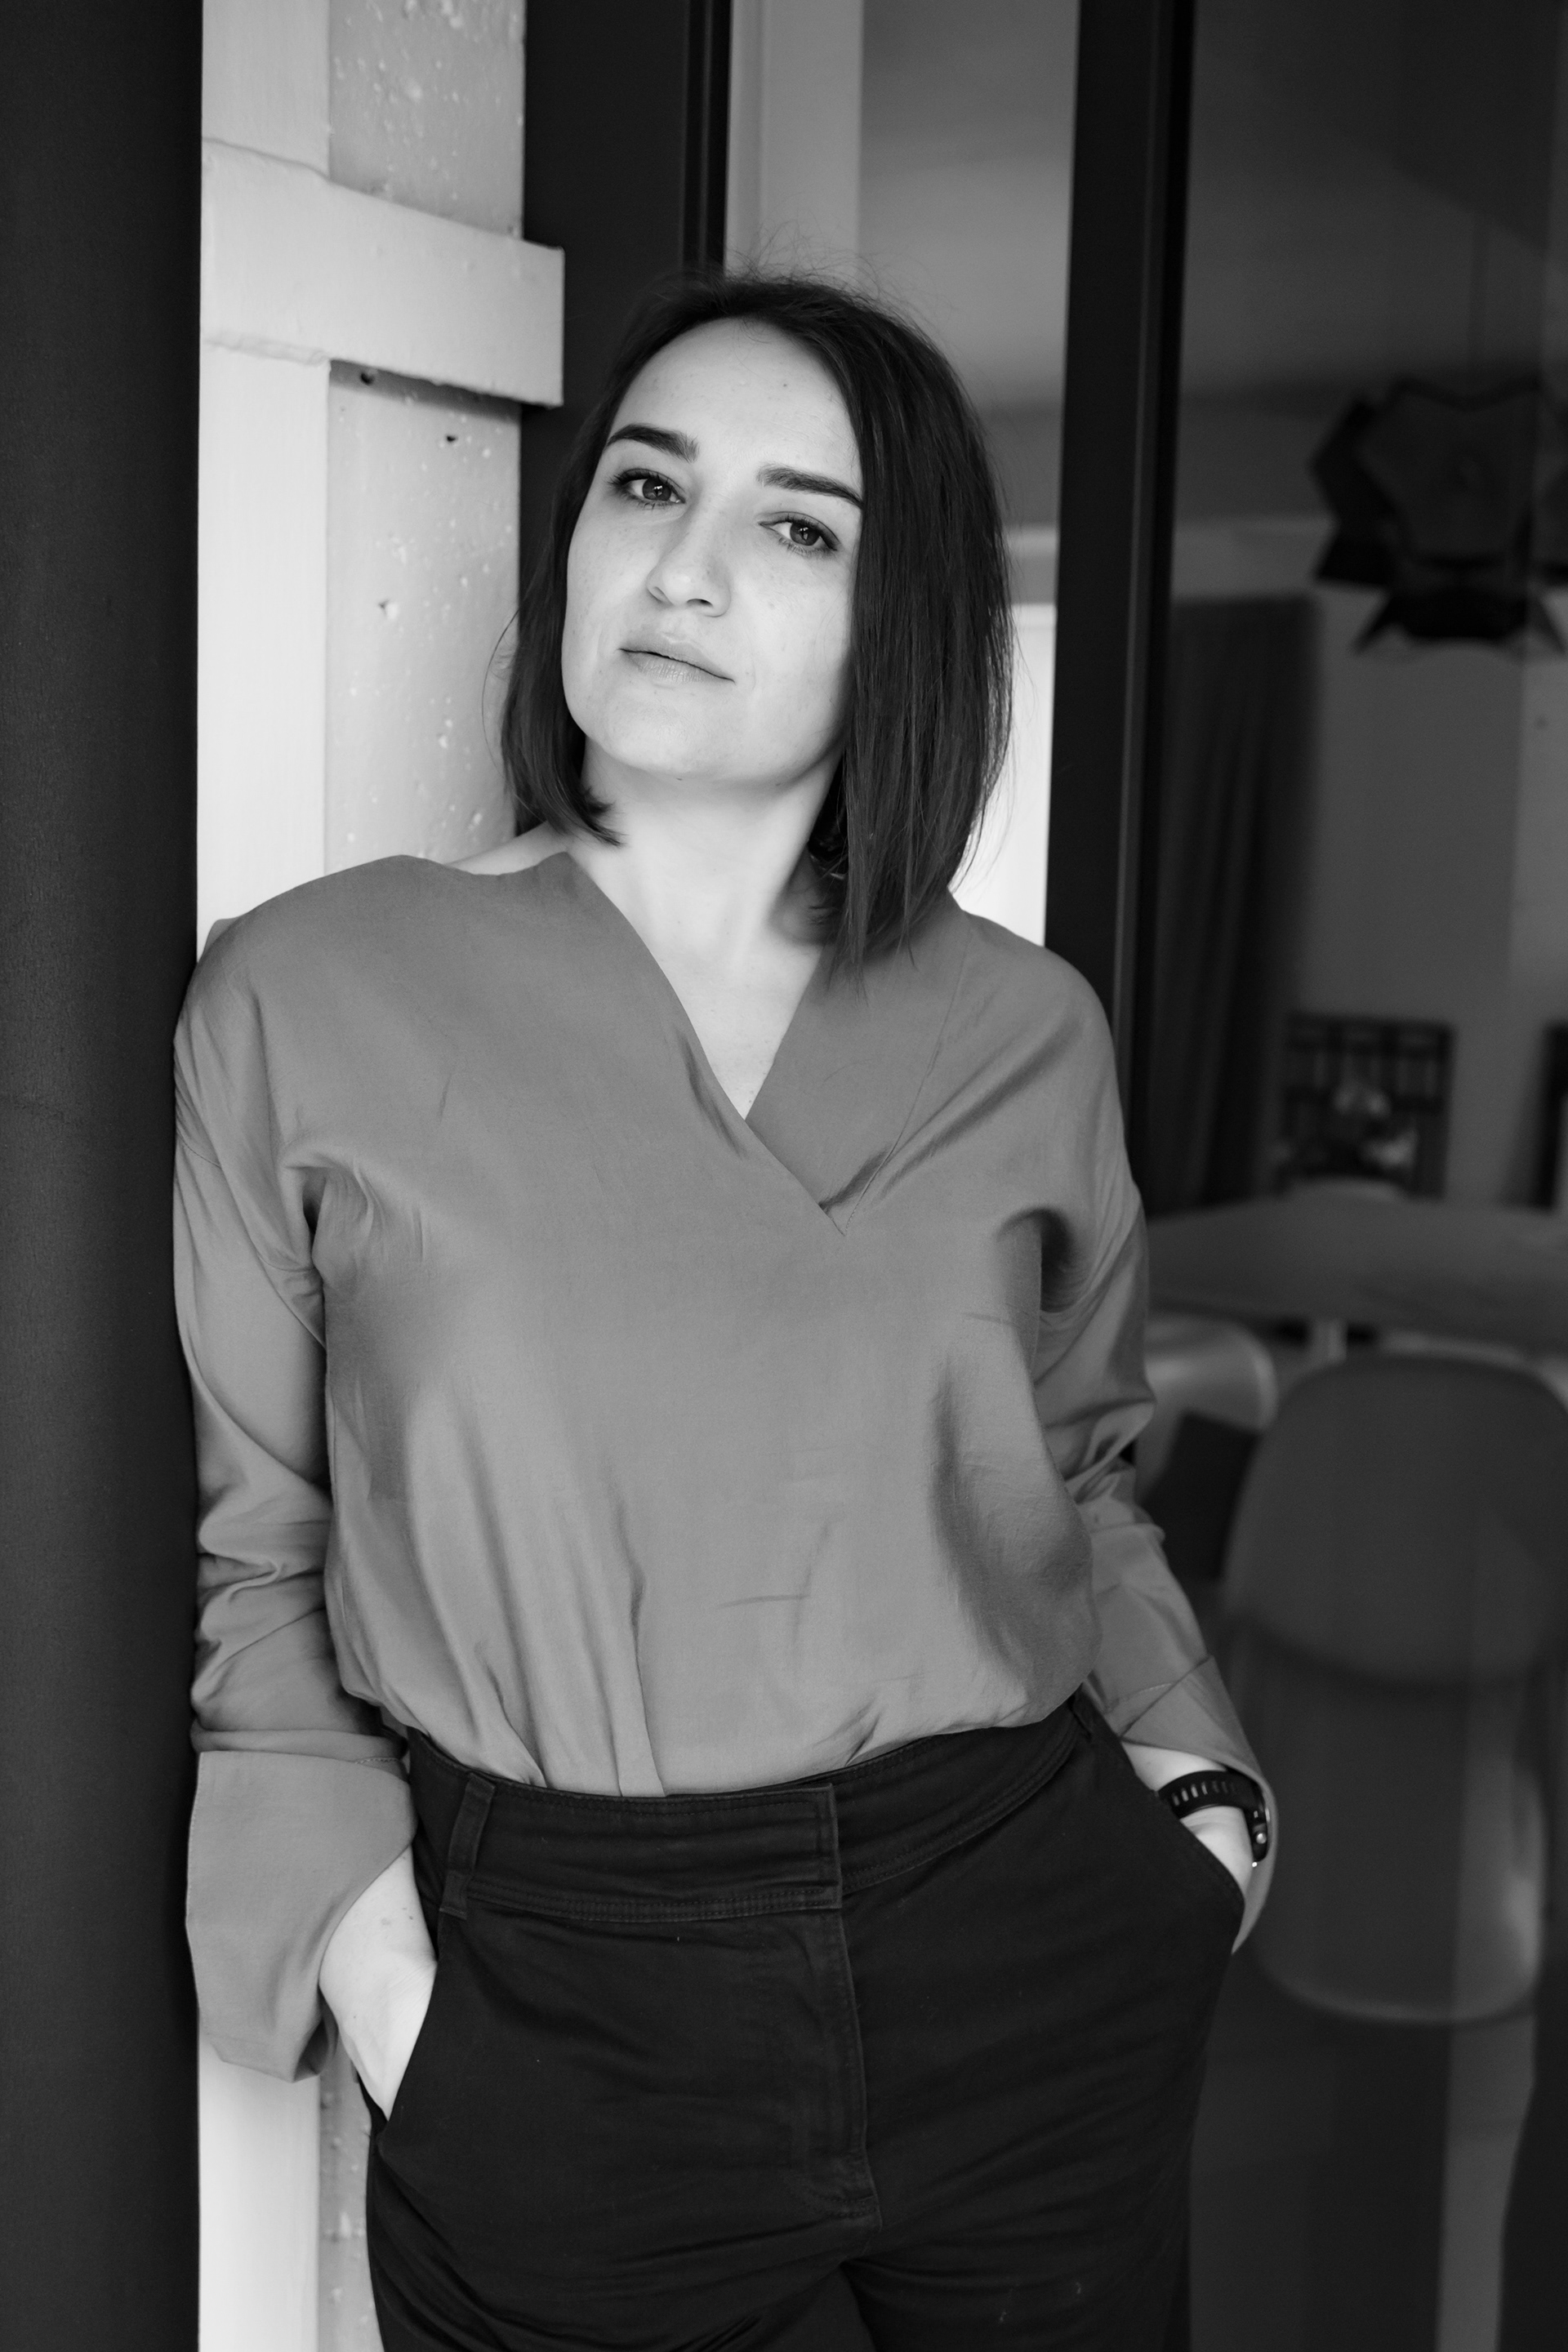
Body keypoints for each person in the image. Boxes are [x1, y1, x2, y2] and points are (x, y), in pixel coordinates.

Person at [176, 269, 1275, 2352]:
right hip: (565, 2001)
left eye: (797, 525)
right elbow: (263, 1559)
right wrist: (402, 2005)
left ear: (903, 620)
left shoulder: (1027, 1029)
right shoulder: (303, 997)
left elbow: (1077, 1482)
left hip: (1025, 1936)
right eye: (646, 483)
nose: (684, 567)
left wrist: (1202, 1813)